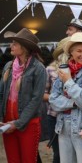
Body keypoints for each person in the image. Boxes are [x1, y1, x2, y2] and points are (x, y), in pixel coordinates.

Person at [0, 28, 47, 163]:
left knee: (28, 160)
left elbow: (36, 99)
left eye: (14, 43)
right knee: (13, 160)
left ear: (24, 48)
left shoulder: (38, 68)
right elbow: (1, 93)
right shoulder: (9, 65)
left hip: (28, 124)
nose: (10, 46)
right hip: (7, 123)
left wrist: (18, 123)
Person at [49, 32, 82, 163]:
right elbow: (53, 100)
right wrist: (74, 102)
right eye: (79, 51)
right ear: (71, 52)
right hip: (63, 126)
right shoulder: (64, 70)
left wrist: (69, 81)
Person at [43, 37, 70, 163]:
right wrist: (59, 100)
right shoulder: (50, 69)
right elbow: (42, 94)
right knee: (58, 154)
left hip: (73, 117)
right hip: (54, 116)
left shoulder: (80, 70)